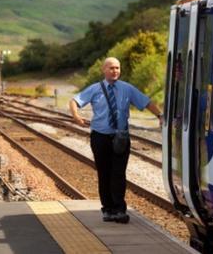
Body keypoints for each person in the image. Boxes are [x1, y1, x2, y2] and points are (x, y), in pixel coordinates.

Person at [69, 57, 162, 224]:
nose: (115, 71)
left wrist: (160, 115)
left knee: (118, 174)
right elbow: (75, 101)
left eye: (117, 68)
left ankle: (119, 210)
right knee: (104, 173)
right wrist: (76, 116)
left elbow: (146, 101)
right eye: (111, 68)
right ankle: (108, 209)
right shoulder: (95, 89)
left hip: (120, 137)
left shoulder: (127, 89)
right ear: (104, 70)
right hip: (100, 137)